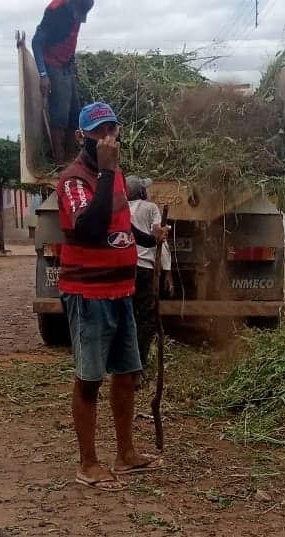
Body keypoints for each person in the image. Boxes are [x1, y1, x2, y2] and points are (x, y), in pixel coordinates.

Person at [56, 101, 168, 488]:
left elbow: (120, 226)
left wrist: (148, 238)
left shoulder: (115, 175)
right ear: (81, 136)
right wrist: (104, 172)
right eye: (98, 131)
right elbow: (89, 227)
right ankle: (88, 463)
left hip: (122, 292)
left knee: (127, 373)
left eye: (111, 129)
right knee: (90, 379)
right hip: (89, 295)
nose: (106, 137)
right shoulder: (73, 180)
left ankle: (126, 454)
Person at [32, 0, 94, 164]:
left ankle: (71, 160)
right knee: (60, 116)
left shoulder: (80, 8)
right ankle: (59, 162)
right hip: (53, 65)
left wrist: (72, 62)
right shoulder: (54, 11)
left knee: (75, 114)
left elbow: (70, 39)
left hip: (67, 65)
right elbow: (36, 42)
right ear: (71, 5)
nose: (80, 19)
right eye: (78, 13)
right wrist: (43, 74)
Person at [126, 175, 175, 370]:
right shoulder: (150, 208)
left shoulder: (119, 210)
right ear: (141, 192)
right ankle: (139, 363)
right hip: (144, 270)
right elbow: (159, 239)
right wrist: (168, 272)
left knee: (128, 315)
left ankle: (125, 361)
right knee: (146, 317)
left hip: (125, 269)